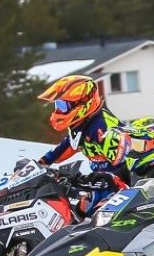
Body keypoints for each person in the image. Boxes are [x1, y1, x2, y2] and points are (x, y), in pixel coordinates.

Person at [36, 75, 125, 215]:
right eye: (57, 105)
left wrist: (104, 179)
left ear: (82, 103)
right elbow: (66, 146)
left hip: (121, 188)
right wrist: (41, 163)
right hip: (100, 185)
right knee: (76, 214)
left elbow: (127, 163)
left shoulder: (102, 127)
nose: (59, 111)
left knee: (96, 219)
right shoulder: (81, 126)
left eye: (62, 106)